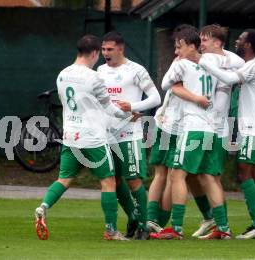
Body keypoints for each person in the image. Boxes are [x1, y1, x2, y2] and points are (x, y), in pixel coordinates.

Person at [34, 35, 131, 241]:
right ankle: (111, 230)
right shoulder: (93, 77)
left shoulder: (62, 75)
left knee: (65, 178)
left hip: (71, 136)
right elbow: (110, 108)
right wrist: (129, 113)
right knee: (108, 181)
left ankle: (43, 206)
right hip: (93, 138)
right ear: (95, 53)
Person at [198, 29, 255, 239]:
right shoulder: (249, 64)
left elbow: (228, 77)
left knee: (244, 170)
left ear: (249, 45)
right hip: (250, 127)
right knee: (253, 174)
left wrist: (203, 61)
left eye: (241, 39)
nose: (237, 40)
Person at [152, 27, 232, 240]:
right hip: (210, 129)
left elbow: (165, 84)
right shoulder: (214, 62)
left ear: (192, 46)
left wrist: (180, 68)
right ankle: (223, 228)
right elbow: (236, 66)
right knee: (208, 178)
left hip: (193, 127)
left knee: (177, 175)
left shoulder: (184, 64)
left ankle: (176, 228)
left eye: (180, 47)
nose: (177, 52)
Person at [97, 31, 161, 240]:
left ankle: (143, 226)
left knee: (133, 180)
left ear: (121, 49)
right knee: (113, 180)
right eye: (103, 49)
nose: (106, 53)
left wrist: (133, 106)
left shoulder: (136, 70)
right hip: (107, 135)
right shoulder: (100, 70)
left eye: (110, 49)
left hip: (129, 133)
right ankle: (133, 216)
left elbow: (155, 97)